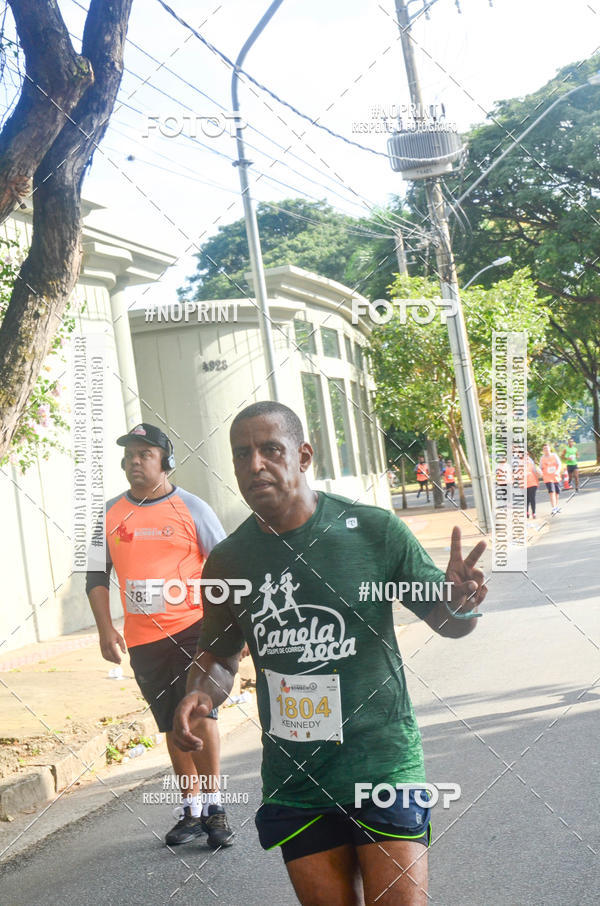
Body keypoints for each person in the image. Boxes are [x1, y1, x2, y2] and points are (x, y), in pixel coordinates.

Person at [173, 402, 488, 906]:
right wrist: (198, 696)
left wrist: (458, 601)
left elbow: (448, 622)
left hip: (382, 764)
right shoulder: (229, 560)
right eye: (241, 455)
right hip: (297, 780)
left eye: (270, 449)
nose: (255, 464)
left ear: (303, 456)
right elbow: (220, 655)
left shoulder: (373, 531)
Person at [86, 422, 234, 849]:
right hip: (143, 639)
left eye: (144, 454)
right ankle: (190, 811)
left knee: (200, 714)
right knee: (171, 721)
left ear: (165, 462)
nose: (135, 461)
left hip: (193, 631)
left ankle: (216, 807)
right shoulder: (111, 513)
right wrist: (104, 628)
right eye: (130, 454)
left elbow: (224, 564)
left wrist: (226, 624)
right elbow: (96, 573)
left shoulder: (193, 508)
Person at [540, 443, 562, 515]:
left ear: (550, 448)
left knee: (557, 492)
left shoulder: (554, 455)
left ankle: (556, 506)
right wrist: (540, 474)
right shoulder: (542, 458)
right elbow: (540, 468)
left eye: (547, 448)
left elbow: (559, 464)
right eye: (544, 449)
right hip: (547, 478)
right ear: (543, 450)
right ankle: (553, 508)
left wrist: (558, 471)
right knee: (551, 492)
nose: (546, 450)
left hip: (556, 477)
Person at [526, 452, 542, 519]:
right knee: (526, 499)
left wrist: (538, 473)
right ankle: (526, 512)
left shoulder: (532, 463)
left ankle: (534, 512)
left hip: (533, 483)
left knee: (532, 498)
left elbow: (538, 473)